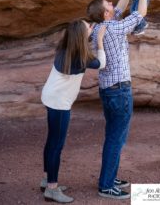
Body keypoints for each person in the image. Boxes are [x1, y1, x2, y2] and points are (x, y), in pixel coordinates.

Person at [87, 0, 147, 200]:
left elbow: (121, 6)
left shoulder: (99, 29)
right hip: (119, 90)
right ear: (105, 14)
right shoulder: (114, 28)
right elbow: (140, 13)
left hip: (108, 89)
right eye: (109, 5)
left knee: (114, 135)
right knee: (116, 138)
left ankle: (109, 178)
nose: (112, 4)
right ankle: (106, 185)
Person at [40, 19, 106, 203]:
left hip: (51, 97)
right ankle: (52, 189)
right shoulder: (80, 56)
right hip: (59, 103)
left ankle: (47, 180)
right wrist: (99, 39)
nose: (91, 28)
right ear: (80, 35)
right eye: (88, 27)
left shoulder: (67, 47)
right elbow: (101, 63)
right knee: (56, 145)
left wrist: (88, 33)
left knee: (51, 141)